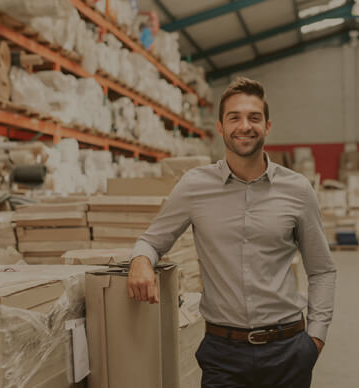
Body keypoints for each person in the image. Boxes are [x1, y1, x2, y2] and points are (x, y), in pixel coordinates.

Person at [127, 76, 336, 388]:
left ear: (267, 126)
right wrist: (140, 261)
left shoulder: (297, 190)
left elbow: (321, 269)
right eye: (234, 117)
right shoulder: (194, 186)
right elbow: (151, 241)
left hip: (288, 349)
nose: (245, 126)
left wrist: (315, 338)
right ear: (220, 127)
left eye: (254, 117)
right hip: (223, 352)